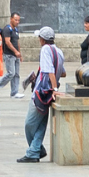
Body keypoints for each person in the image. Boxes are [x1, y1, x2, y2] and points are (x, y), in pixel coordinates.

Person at [17, 26, 64, 162]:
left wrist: (54, 88)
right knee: (41, 125)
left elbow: (49, 71)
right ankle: (34, 151)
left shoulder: (45, 50)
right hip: (48, 94)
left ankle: (36, 149)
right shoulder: (59, 51)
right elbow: (63, 72)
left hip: (42, 93)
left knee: (29, 124)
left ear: (42, 40)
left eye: (39, 38)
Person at [0, 11, 23, 96]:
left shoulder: (16, 30)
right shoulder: (7, 29)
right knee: (11, 73)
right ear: (11, 19)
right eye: (15, 20)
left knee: (16, 74)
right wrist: (15, 51)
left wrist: (19, 54)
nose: (17, 22)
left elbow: (17, 42)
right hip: (9, 55)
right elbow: (7, 42)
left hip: (16, 55)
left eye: (18, 20)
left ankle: (14, 92)